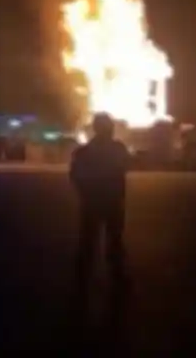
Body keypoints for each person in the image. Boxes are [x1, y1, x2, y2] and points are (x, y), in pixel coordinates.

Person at [70, 112, 132, 293]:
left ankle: (82, 280)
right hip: (112, 203)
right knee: (114, 241)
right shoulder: (118, 149)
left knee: (88, 242)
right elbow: (126, 167)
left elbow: (75, 176)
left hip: (92, 204)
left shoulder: (84, 152)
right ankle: (118, 279)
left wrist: (84, 193)